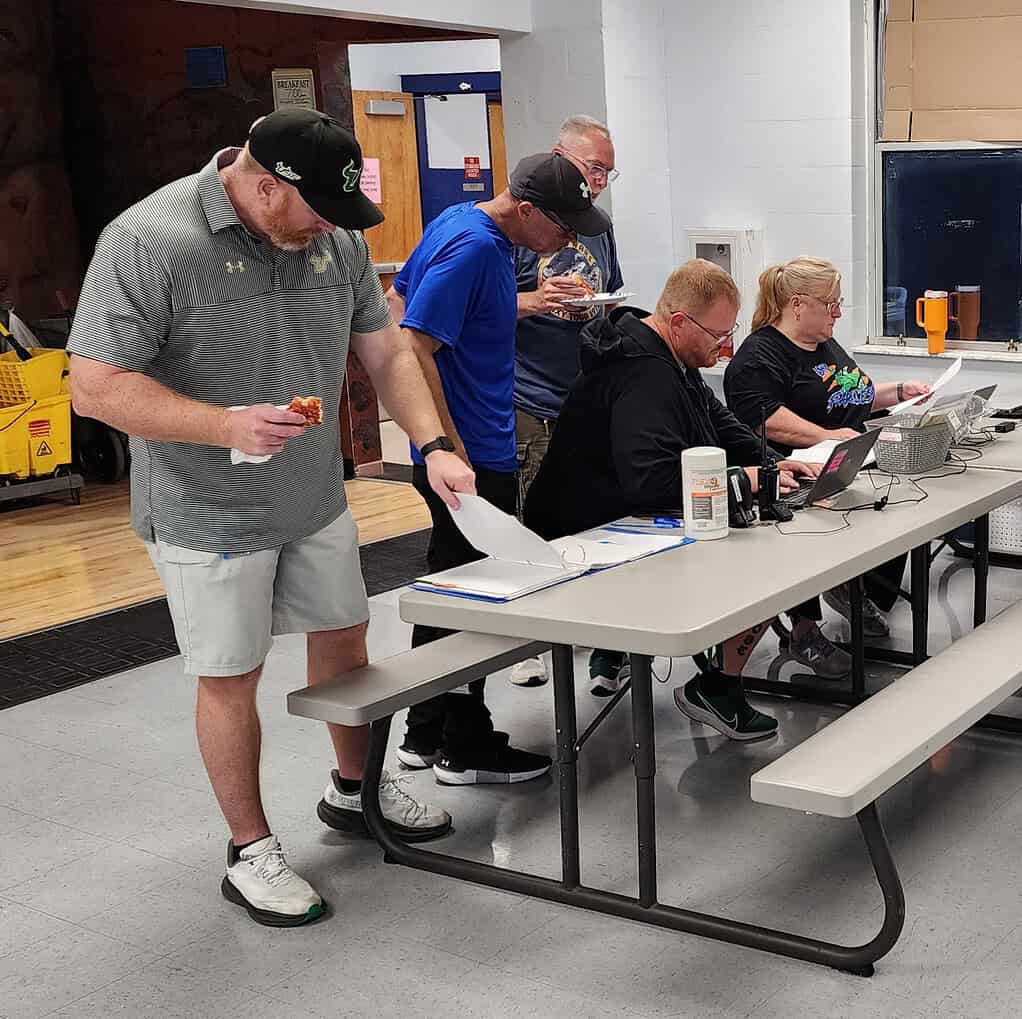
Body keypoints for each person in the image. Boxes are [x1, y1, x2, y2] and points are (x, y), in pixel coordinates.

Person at [67, 109, 475, 928]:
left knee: (345, 637)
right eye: (317, 211)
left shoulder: (335, 237)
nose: (330, 227)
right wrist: (225, 424)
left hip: (315, 496)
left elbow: (386, 348)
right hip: (204, 509)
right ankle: (249, 848)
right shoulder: (149, 240)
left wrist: (432, 442)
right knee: (230, 674)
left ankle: (354, 790)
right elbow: (95, 385)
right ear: (261, 185)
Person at [524, 259, 821, 741]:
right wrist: (745, 479)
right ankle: (717, 686)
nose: (724, 349)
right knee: (769, 568)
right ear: (679, 322)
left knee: (768, 550)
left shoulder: (669, 357)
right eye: (717, 336)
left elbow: (717, 419)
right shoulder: (642, 373)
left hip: (620, 525)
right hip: (583, 545)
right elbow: (653, 483)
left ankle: (716, 680)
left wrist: (770, 464)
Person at [388, 152, 612, 781]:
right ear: (526, 208)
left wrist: (533, 303)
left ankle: (424, 732)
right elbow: (412, 342)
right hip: (472, 457)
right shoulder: (475, 248)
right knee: (476, 605)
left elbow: (397, 295)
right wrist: (446, 446)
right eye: (563, 226)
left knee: (448, 593)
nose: (567, 239)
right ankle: (466, 746)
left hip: (471, 448)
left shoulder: (459, 222)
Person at [724, 256, 930, 641]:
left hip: (852, 465)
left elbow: (852, 395)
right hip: (798, 482)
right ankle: (807, 627)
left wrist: (901, 391)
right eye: (830, 304)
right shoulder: (759, 356)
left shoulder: (825, 345)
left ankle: (855, 590)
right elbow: (763, 417)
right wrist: (827, 437)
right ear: (797, 304)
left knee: (904, 510)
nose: (837, 312)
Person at [510, 115, 626, 694]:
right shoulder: (517, 225)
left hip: (581, 390)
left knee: (593, 514)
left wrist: (601, 308)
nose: (601, 180)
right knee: (529, 517)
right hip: (524, 396)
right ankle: (528, 645)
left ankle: (599, 634)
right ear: (561, 156)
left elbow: (611, 288)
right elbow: (484, 307)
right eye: (593, 167)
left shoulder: (597, 227)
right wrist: (535, 299)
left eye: (609, 170)